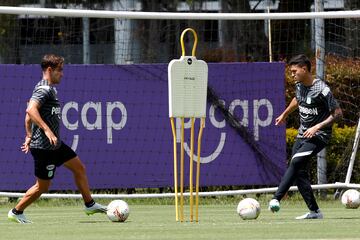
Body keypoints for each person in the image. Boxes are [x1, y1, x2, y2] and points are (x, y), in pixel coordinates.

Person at [8, 54, 107, 223]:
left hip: (55, 145)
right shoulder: (44, 89)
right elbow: (31, 110)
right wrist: (46, 131)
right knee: (42, 187)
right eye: (59, 70)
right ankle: (16, 212)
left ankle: (89, 204)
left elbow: (28, 117)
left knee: (79, 168)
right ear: (49, 70)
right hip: (44, 149)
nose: (62, 74)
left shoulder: (49, 89)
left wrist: (28, 135)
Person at [268, 54, 342, 219]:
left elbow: (337, 113)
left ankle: (276, 198)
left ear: (305, 69)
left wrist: (318, 126)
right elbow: (297, 99)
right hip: (303, 135)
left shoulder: (322, 89)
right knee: (299, 172)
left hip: (319, 136)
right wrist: (284, 114)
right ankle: (315, 212)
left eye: (295, 71)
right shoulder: (299, 85)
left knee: (295, 162)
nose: (292, 74)